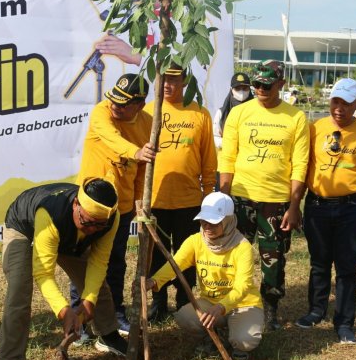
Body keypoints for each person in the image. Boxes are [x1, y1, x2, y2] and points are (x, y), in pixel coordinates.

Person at [0, 179, 126, 360]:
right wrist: (64, 311)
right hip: (24, 227)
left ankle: (109, 335)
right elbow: (43, 273)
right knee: (18, 292)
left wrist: (88, 301)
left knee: (96, 285)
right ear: (76, 204)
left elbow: (99, 262)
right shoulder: (50, 215)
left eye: (98, 224)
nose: (92, 229)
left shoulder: (111, 219)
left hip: (67, 236)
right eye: (87, 222)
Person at [218, 59, 310, 331]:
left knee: (274, 258)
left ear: (281, 85)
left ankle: (270, 307)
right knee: (234, 254)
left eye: (266, 85)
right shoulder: (239, 114)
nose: (259, 89)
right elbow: (228, 157)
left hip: (277, 202)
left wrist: (295, 205)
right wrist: (225, 198)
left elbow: (300, 164)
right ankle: (235, 303)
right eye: (256, 84)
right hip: (241, 198)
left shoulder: (296, 117)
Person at [295, 78, 356, 344]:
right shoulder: (315, 129)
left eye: (346, 103)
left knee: (347, 267)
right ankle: (316, 310)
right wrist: (296, 204)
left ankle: (344, 323)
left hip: (352, 209)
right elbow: (303, 168)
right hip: (317, 206)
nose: (339, 108)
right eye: (335, 101)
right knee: (319, 262)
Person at [75, 74, 155, 340]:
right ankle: (80, 320)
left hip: (122, 208)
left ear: (140, 105)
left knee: (115, 262)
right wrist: (135, 152)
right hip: (91, 206)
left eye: (123, 104)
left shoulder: (148, 124)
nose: (115, 106)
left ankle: (115, 314)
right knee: (83, 261)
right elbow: (111, 139)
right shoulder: (101, 113)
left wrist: (140, 203)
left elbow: (144, 169)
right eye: (113, 100)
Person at [145, 192, 263, 360]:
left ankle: (236, 337)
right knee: (184, 317)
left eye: (214, 222)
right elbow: (175, 264)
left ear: (228, 221)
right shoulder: (195, 241)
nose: (207, 226)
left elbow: (242, 286)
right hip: (211, 302)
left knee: (244, 341)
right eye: (204, 220)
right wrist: (154, 280)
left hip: (243, 304)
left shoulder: (242, 247)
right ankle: (217, 333)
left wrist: (221, 307)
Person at [145, 64, 217, 320]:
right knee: (155, 253)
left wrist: (208, 198)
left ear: (184, 81)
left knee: (187, 255)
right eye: (163, 78)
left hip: (189, 201)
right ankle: (158, 301)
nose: (168, 84)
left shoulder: (199, 114)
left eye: (174, 79)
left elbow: (209, 161)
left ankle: (185, 300)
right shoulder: (147, 112)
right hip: (154, 200)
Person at [213, 72, 252, 149]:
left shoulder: (256, 110)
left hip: (250, 155)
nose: (241, 92)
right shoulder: (222, 112)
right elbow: (216, 136)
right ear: (231, 90)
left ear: (249, 89)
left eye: (245, 88)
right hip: (228, 155)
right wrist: (231, 144)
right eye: (237, 88)